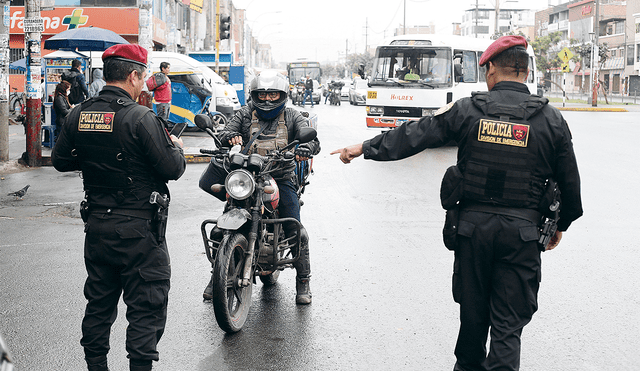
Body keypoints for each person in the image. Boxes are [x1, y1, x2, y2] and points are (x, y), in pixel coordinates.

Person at [330, 35, 583, 371]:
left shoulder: (468, 110)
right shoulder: (551, 119)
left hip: (473, 232)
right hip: (521, 236)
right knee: (508, 327)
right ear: (525, 71)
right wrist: (559, 225)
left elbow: (416, 134)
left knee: (473, 319)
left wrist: (365, 147)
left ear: (491, 68)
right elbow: (570, 185)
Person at [51, 44, 186, 371]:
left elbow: (60, 161)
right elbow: (172, 168)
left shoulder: (79, 113)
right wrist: (176, 146)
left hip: (97, 227)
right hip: (139, 231)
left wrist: (93, 158)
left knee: (98, 304)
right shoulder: (140, 118)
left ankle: (96, 366)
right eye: (142, 77)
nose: (143, 84)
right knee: (146, 307)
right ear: (133, 75)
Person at [199, 70, 321, 305]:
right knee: (221, 228)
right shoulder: (245, 113)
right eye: (262, 95)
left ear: (282, 95)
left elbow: (312, 141)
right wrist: (231, 137)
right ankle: (219, 274)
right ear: (254, 95)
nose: (267, 100)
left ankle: (303, 280)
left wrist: (305, 148)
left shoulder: (293, 116)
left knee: (295, 228)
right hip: (248, 178)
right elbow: (226, 131)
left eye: (273, 95)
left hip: (281, 177)